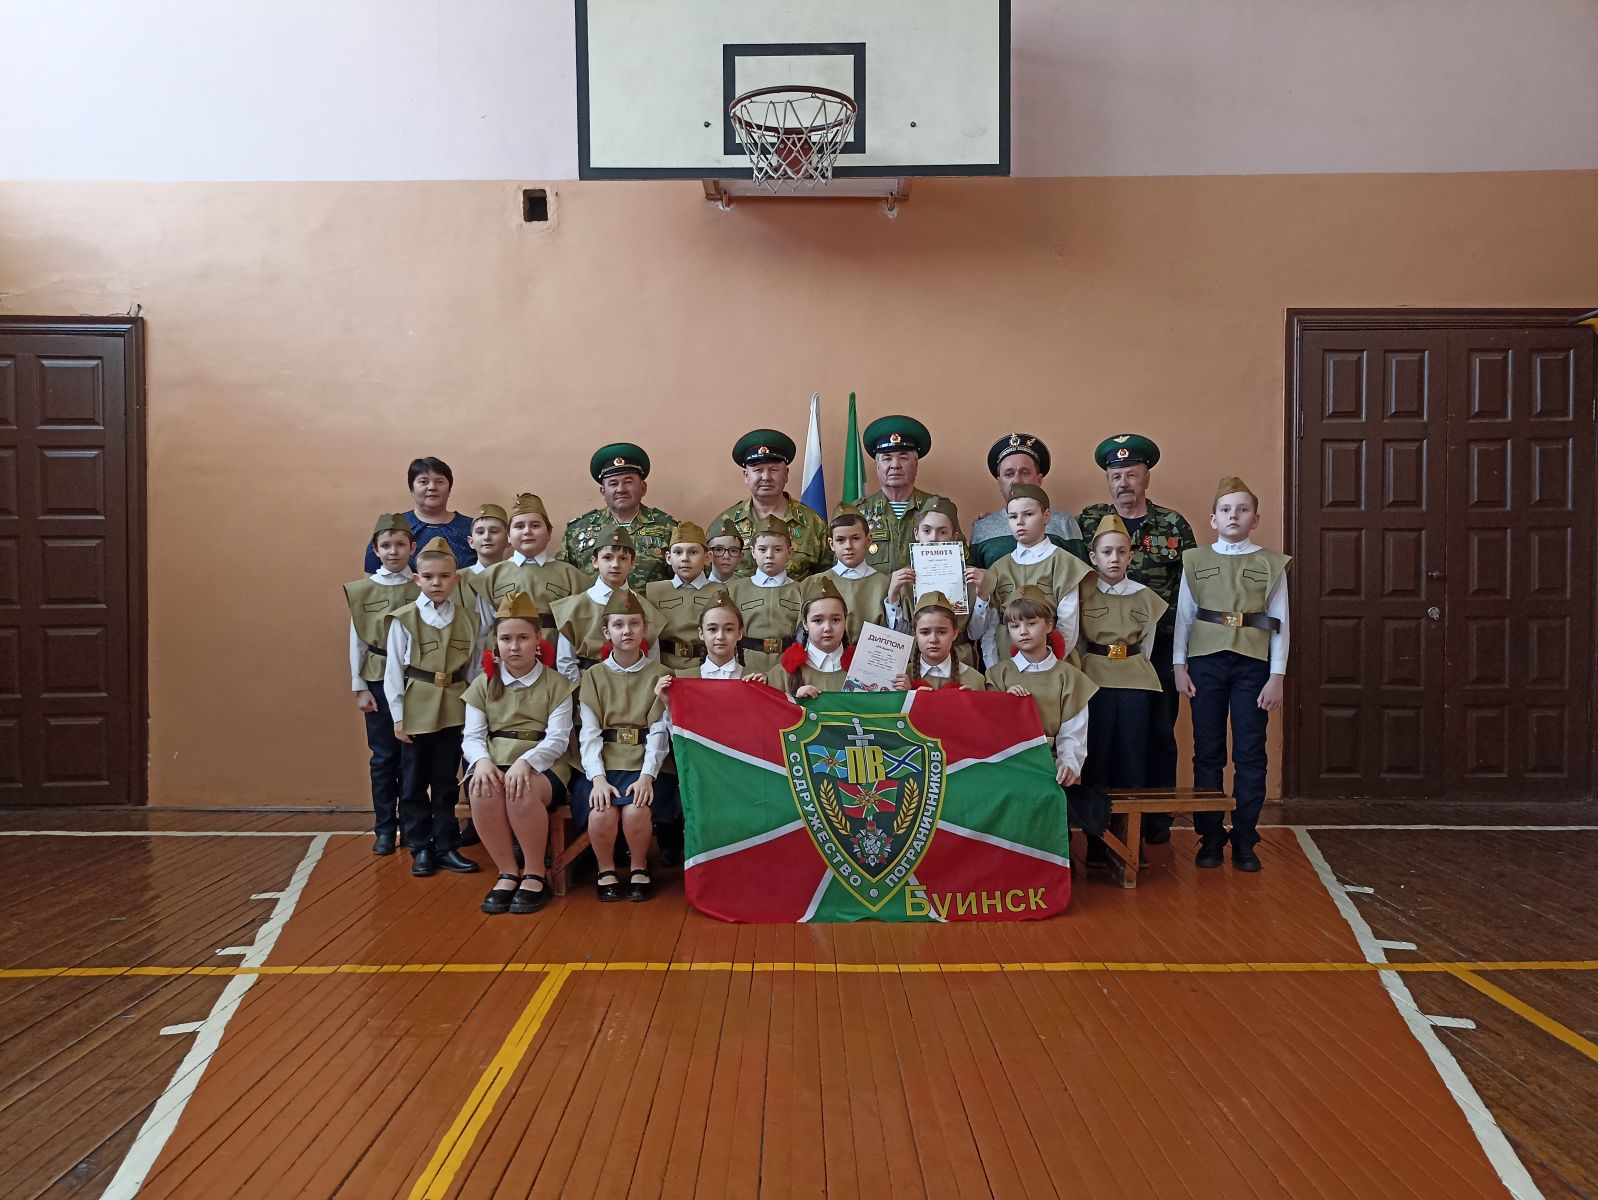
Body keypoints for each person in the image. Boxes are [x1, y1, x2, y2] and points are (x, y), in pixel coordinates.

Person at [1079, 433, 1197, 844]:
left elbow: (1189, 590)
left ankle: (1155, 820)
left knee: (1158, 734)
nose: (1123, 483)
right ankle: (1105, 824)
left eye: (1131, 474)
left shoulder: (1173, 524)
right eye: (1116, 476)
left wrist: (1180, 654)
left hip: (1157, 646)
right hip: (1099, 652)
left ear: (1146, 477)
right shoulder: (1089, 521)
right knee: (1104, 737)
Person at [1173, 477, 1290, 873]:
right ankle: (1209, 837)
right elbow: (1184, 617)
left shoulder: (1271, 563)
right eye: (1225, 509)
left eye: (1242, 509)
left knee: (1250, 752)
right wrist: (1179, 665)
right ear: (1214, 519)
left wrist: (1277, 675)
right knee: (1207, 751)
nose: (1233, 516)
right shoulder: (1195, 560)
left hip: (1252, 665)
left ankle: (1244, 839)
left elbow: (1281, 622)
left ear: (1255, 518)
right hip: (1206, 661)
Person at [461, 592, 575, 915]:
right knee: (481, 789)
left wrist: (526, 762)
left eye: (523, 638)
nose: (514, 646)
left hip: (544, 765)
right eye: (506, 639)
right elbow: (472, 736)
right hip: (495, 760)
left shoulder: (557, 684)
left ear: (538, 639)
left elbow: (557, 739)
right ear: (495, 643)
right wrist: (482, 762)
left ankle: (535, 873)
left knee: (521, 790)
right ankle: (508, 871)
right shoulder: (483, 685)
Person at [382, 536, 485, 877]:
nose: (436, 583)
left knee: (445, 779)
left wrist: (475, 715)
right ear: (417, 579)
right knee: (413, 781)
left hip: (454, 706)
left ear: (456, 579)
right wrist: (398, 717)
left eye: (444, 576)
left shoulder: (469, 620)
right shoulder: (404, 619)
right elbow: (393, 672)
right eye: (428, 577)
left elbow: (473, 672)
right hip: (417, 706)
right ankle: (420, 847)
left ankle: (445, 844)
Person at [1075, 513, 1168, 866]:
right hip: (1094, 679)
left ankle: (1131, 840)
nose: (1114, 558)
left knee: (1133, 760)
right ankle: (1098, 841)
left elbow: (1147, 645)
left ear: (1131, 556)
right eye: (1106, 552)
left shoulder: (1145, 597)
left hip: (1135, 681)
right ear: (1093, 557)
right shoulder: (1082, 595)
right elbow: (1077, 642)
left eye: (1121, 551)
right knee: (1096, 759)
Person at [572, 590, 675, 902]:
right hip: (605, 762)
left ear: (645, 630)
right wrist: (597, 779)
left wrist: (647, 776)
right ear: (607, 632)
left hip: (644, 762)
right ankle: (605, 869)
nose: (627, 631)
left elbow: (658, 731)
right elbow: (589, 734)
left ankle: (639, 866)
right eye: (618, 625)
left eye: (634, 624)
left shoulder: (661, 675)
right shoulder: (593, 676)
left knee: (636, 810)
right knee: (601, 811)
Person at [985, 587, 1105, 842]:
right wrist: (1005, 705)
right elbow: (989, 731)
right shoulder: (998, 675)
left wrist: (1068, 765)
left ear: (1049, 625)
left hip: (1049, 765)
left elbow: (1073, 734)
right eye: (1015, 626)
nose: (1023, 631)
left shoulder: (1070, 677)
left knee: (1051, 809)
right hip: (1008, 765)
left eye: (1031, 623)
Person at [344, 513, 419, 855]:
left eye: (400, 544)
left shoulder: (421, 585)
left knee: (413, 758)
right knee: (384, 757)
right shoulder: (363, 591)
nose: (393, 551)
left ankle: (414, 828)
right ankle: (385, 828)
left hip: (415, 680)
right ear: (375, 550)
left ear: (412, 547)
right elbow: (357, 640)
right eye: (385, 545)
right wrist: (359, 685)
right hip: (376, 678)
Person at [982, 484, 1093, 664]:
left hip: (1053, 661)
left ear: (1046, 516)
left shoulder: (1064, 563)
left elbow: (1068, 624)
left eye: (1028, 514)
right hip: (1007, 663)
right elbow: (991, 628)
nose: (1020, 522)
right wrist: (993, 668)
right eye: (1013, 516)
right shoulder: (998, 568)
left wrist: (1049, 663)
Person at [710, 430, 832, 580]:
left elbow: (828, 577)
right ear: (746, 476)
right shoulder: (725, 523)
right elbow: (708, 576)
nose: (766, 477)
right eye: (758, 470)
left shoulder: (813, 523)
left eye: (773, 470)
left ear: (786, 474)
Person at [886, 495, 992, 666]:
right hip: (916, 663)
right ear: (916, 533)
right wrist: (893, 597)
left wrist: (982, 596)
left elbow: (975, 633)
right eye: (926, 531)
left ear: (954, 536)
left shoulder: (970, 578)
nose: (933, 538)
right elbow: (900, 634)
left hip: (961, 662)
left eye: (942, 532)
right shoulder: (904, 579)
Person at [552, 526, 666, 682]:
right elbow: (565, 660)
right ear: (595, 561)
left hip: (634, 686)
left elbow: (652, 662)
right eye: (607, 557)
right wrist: (581, 692)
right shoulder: (574, 607)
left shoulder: (645, 609)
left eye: (623, 558)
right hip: (586, 685)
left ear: (633, 563)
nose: (615, 564)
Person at [560, 443, 679, 587]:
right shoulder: (577, 531)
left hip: (650, 602)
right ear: (603, 491)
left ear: (643, 488)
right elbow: (562, 583)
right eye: (613, 483)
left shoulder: (669, 529)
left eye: (628, 482)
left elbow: (684, 583)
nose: (621, 489)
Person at [479, 493, 589, 638]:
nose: (527, 531)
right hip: (504, 649)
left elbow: (580, 627)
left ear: (549, 533)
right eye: (519, 526)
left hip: (555, 647)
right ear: (508, 536)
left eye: (535, 525)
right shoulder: (490, 576)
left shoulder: (571, 576)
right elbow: (483, 628)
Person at [970, 434, 1087, 568]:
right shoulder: (983, 528)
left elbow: (1080, 574)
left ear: (1039, 479)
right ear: (999, 483)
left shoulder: (1064, 522)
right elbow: (974, 576)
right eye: (1009, 474)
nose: (1016, 480)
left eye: (1025, 472)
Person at [800, 504, 897, 645]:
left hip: (871, 656)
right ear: (831, 544)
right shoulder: (811, 583)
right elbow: (801, 635)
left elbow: (895, 634)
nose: (848, 546)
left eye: (855, 538)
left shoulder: (885, 584)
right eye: (840, 540)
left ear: (868, 540)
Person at [363, 456, 474, 572]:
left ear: (449, 489)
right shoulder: (392, 527)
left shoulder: (473, 528)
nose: (432, 487)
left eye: (439, 482)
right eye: (423, 482)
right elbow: (371, 579)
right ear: (412, 489)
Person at [857, 415, 933, 575]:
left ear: (916, 464)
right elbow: (841, 569)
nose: (895, 465)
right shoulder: (858, 512)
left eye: (903, 458)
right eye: (887, 458)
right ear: (878, 466)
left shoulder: (936, 508)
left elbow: (960, 561)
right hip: (874, 592)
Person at [727, 515, 802, 675]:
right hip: (745, 664)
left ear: (790, 552)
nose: (769, 555)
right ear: (753, 552)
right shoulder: (734, 590)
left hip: (787, 667)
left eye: (778, 549)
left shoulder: (800, 590)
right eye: (762, 549)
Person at [645, 521, 717, 671]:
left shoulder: (719, 591)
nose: (685, 558)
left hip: (707, 668)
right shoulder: (654, 591)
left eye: (693, 552)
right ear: (668, 558)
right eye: (678, 552)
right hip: (665, 668)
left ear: (707, 557)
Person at [770, 576, 854, 697]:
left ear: (845, 620)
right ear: (805, 624)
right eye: (818, 621)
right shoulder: (783, 673)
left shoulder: (863, 669)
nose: (827, 628)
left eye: (835, 620)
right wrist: (795, 701)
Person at [892, 592, 987, 690]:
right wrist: (905, 695)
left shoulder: (974, 680)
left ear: (955, 633)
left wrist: (969, 699)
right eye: (925, 632)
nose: (933, 639)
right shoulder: (899, 677)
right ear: (914, 634)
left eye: (942, 632)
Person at [457, 502, 510, 613]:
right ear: (471, 542)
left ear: (508, 539)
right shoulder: (458, 580)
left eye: (494, 531)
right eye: (480, 532)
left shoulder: (517, 574)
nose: (486, 537)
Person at [705, 518, 745, 586]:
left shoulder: (748, 589)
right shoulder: (698, 589)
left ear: (741, 556)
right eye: (718, 549)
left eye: (733, 550)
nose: (726, 556)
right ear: (708, 555)